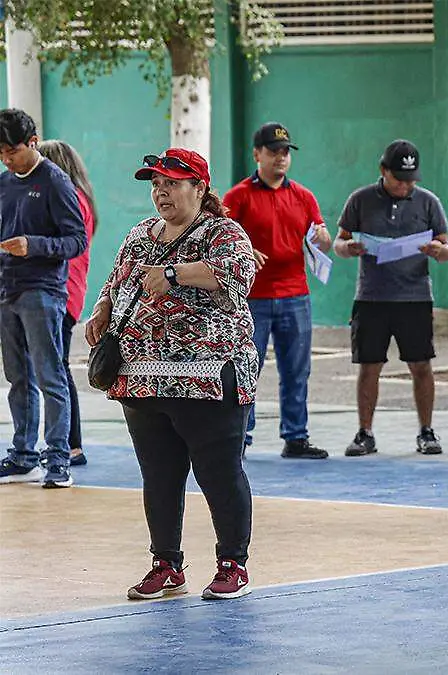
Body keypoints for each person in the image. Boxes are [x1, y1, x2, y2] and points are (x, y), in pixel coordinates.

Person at [86, 148, 258, 600]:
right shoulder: (140, 234)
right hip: (141, 377)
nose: (161, 192)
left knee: (219, 473)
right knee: (159, 476)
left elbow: (237, 274)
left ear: (199, 188)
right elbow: (116, 280)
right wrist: (102, 309)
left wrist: (173, 273)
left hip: (208, 379)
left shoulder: (223, 232)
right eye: (156, 184)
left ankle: (233, 564)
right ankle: (166, 563)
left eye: (172, 183)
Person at [334, 139, 448, 457]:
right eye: (399, 179)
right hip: (372, 297)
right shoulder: (360, 200)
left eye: (410, 179)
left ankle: (427, 431)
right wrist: (349, 248)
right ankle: (365, 432)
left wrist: (437, 250)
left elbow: (446, 249)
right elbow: (339, 243)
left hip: (415, 298)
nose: (405, 185)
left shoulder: (428, 202)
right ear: (383, 171)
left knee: (421, 365)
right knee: (369, 366)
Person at [225, 122, 332, 460]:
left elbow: (321, 236)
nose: (281, 158)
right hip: (252, 298)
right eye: (273, 152)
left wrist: (323, 239)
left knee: (296, 371)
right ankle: (240, 438)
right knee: (246, 369)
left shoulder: (303, 196)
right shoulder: (238, 197)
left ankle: (296, 437)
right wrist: (245, 249)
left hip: (295, 295)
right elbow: (222, 238)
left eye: (285, 152)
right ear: (257, 154)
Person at [0, 109, 87, 489]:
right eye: (1, 153)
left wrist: (33, 245)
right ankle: (23, 457)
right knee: (17, 378)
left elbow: (76, 241)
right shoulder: (4, 183)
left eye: (12, 151)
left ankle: (58, 460)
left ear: (32, 142)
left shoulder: (55, 182)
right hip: (7, 291)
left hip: (43, 292)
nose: (6, 159)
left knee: (50, 377)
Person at [39, 140, 98, 468]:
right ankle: (67, 442)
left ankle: (70, 444)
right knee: (55, 367)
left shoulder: (68, 198)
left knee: (56, 369)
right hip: (65, 291)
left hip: (59, 291)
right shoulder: (77, 198)